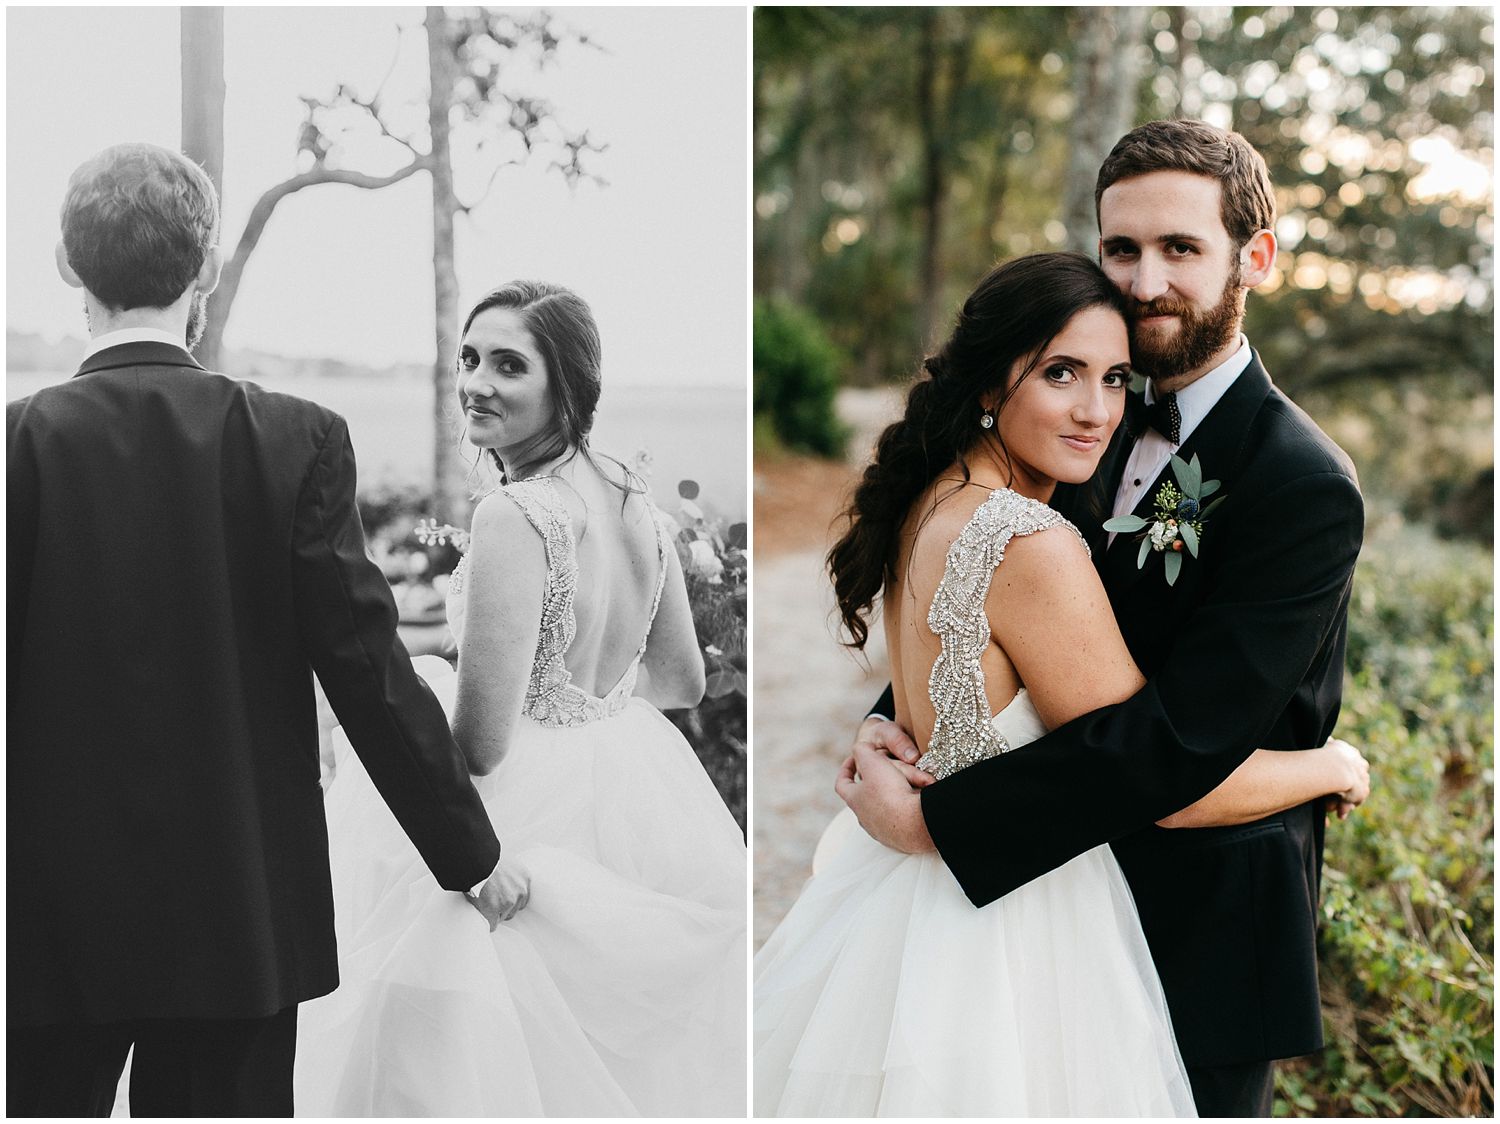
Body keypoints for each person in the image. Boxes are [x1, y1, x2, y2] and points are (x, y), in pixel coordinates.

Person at [752, 251, 1368, 1117]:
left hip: (914, 905)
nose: (1096, 411)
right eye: (1061, 374)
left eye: (1114, 378)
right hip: (1016, 929)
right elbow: (1162, 778)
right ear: (990, 386)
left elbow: (959, 664)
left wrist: (882, 727)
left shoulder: (935, 500)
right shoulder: (1029, 538)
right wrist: (1333, 765)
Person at [7, 143, 512, 1117]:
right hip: (235, 911)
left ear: (70, 268)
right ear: (206, 269)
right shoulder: (297, 438)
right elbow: (367, 667)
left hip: (49, 916)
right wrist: (471, 853)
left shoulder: (23, 445)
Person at [293, 281, 747, 1116]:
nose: (477, 382)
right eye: (469, 358)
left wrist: (435, 685)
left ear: (567, 387)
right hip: (632, 785)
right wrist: (588, 697)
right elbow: (681, 680)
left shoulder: (518, 514)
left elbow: (481, 748)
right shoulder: (633, 496)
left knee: (472, 1057)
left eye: (509, 365)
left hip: (530, 813)